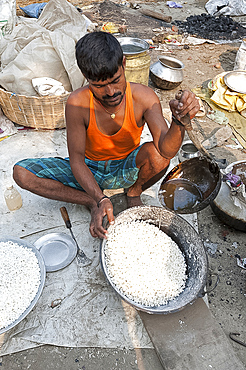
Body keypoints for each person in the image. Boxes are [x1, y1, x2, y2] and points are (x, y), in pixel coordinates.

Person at [13, 31, 200, 239]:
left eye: (115, 80)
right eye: (100, 86)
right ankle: (89, 200)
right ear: (86, 77)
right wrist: (99, 198)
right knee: (22, 173)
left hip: (126, 167)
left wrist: (179, 121)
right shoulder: (77, 103)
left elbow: (167, 150)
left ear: (124, 63)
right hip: (89, 169)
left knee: (157, 155)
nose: (111, 92)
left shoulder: (144, 97)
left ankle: (134, 192)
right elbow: (76, 162)